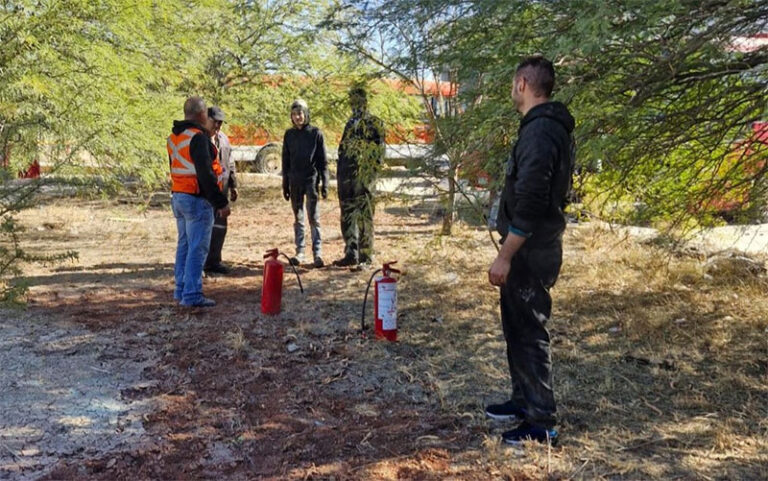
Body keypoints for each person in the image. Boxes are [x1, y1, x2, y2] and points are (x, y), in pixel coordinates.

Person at [485, 56, 575, 446]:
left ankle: (542, 423)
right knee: (516, 329)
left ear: (522, 83)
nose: (511, 89)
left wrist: (505, 254)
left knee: (530, 332)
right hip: (527, 249)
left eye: (512, 83)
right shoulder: (540, 128)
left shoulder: (541, 132)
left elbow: (533, 200)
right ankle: (523, 401)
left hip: (531, 251)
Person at [168, 96, 230, 307]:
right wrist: (221, 202)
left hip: (178, 197)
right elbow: (205, 175)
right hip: (196, 199)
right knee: (197, 248)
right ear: (202, 114)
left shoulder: (175, 137)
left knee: (184, 245)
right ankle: (192, 294)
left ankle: (181, 289)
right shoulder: (198, 138)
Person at [333, 86, 385, 267]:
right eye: (352, 102)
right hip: (346, 178)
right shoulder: (349, 123)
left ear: (365, 102)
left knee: (364, 218)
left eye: (358, 101)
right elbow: (343, 151)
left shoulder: (374, 123)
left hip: (364, 180)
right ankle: (350, 253)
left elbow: (378, 155)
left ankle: (365, 257)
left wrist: (369, 179)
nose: (355, 105)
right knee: (347, 216)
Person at [281, 99, 328, 268]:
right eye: (294, 114)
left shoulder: (316, 134)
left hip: (311, 181)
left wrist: (325, 184)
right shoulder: (289, 135)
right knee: (298, 218)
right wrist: (285, 184)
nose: (297, 117)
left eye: (300, 113)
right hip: (295, 181)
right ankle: (300, 252)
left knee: (313, 218)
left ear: (306, 114)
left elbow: (323, 162)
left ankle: (318, 254)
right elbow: (285, 161)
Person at [204, 106, 239, 275]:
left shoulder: (224, 139)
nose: (217, 125)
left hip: (222, 190)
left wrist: (233, 185)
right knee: (202, 228)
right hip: (204, 192)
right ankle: (199, 263)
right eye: (215, 121)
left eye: (220, 122)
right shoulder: (200, 139)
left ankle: (214, 261)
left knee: (220, 227)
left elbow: (230, 163)